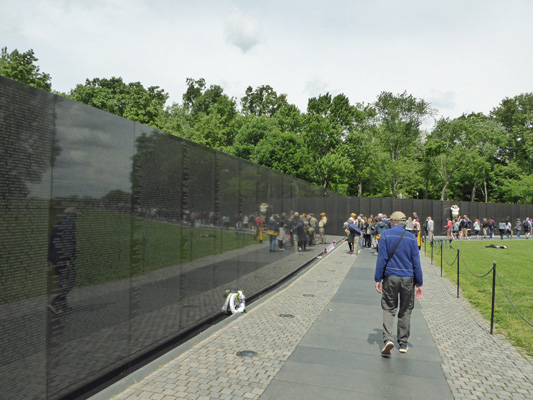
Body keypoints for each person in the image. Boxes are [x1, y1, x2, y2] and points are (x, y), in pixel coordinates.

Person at [374, 211, 423, 355]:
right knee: (406, 309)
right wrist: (419, 283)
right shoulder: (412, 238)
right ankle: (403, 343)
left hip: (390, 276)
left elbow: (382, 259)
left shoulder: (386, 235)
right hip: (408, 277)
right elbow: (416, 263)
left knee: (389, 308)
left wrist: (378, 279)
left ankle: (388, 338)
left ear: (393, 221)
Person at [48, 207, 79, 315]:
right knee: (69, 282)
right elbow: (69, 243)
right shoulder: (70, 225)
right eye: (75, 215)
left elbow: (51, 242)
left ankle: (63, 306)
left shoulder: (57, 224)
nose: (76, 217)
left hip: (55, 258)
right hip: (64, 258)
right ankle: (55, 303)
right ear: (72, 215)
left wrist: (50, 260)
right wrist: (69, 258)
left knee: (62, 282)